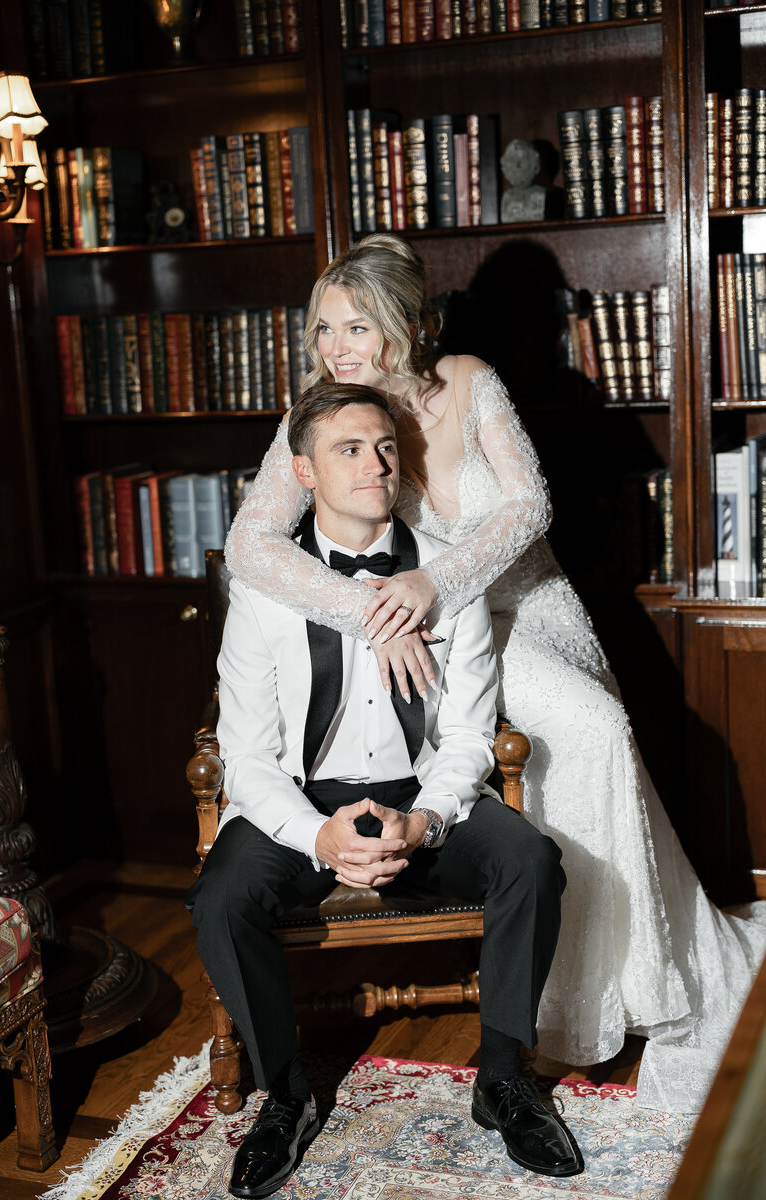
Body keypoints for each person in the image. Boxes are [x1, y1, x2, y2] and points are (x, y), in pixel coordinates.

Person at [224, 233, 766, 1115]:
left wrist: (436, 580)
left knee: (594, 728)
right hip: (417, 631)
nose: (334, 349)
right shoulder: (322, 415)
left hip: (528, 607)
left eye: (354, 326)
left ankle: (625, 978)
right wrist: (375, 611)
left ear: (400, 323)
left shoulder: (469, 380)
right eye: (322, 330)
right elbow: (251, 543)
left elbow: (529, 504)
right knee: (522, 750)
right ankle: (552, 995)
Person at [187, 383, 583, 1197]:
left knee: (532, 861)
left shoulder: (446, 578)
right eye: (349, 449)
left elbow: (471, 736)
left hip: (419, 791)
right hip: (302, 798)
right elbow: (247, 752)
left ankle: (503, 1080)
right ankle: (284, 1098)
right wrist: (316, 836)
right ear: (302, 471)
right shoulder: (265, 582)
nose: (376, 464)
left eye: (385, 447)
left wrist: (428, 819)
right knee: (221, 895)